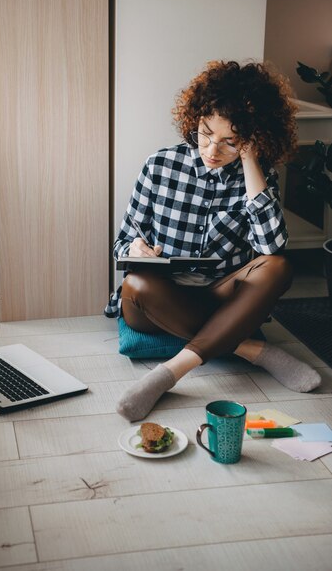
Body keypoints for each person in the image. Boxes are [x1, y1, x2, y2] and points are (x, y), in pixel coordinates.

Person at [105, 60, 322, 422]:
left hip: (222, 297)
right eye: (205, 133)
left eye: (230, 141)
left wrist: (251, 163)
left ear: (254, 139)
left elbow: (271, 248)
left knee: (279, 268)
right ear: (195, 120)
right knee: (135, 282)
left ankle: (168, 373)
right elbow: (122, 243)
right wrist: (135, 250)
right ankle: (253, 350)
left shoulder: (258, 176)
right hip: (160, 300)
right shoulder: (159, 166)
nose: (211, 149)